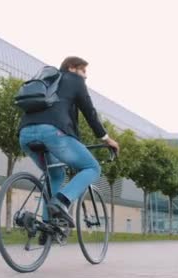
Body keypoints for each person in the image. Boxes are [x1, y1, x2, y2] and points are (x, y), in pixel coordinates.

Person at [18, 56, 120, 231]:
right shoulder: (74, 80)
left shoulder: (49, 82)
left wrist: (75, 142)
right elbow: (90, 112)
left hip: (25, 134)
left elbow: (71, 121)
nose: (85, 76)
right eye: (83, 71)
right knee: (92, 167)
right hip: (53, 133)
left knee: (56, 175)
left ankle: (47, 226)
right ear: (72, 68)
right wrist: (106, 139)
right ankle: (62, 201)